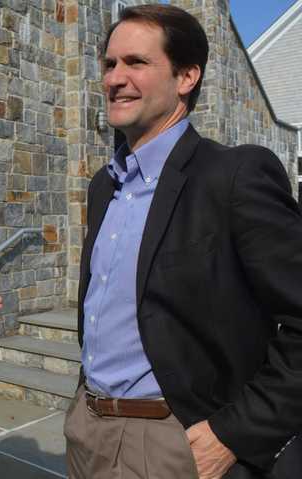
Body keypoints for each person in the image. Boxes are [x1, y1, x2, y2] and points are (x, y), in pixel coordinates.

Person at [64, 4, 302, 479]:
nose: (115, 78)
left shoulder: (234, 176)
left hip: (172, 442)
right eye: (110, 64)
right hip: (85, 429)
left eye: (136, 63)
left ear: (187, 76)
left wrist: (234, 433)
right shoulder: (103, 186)